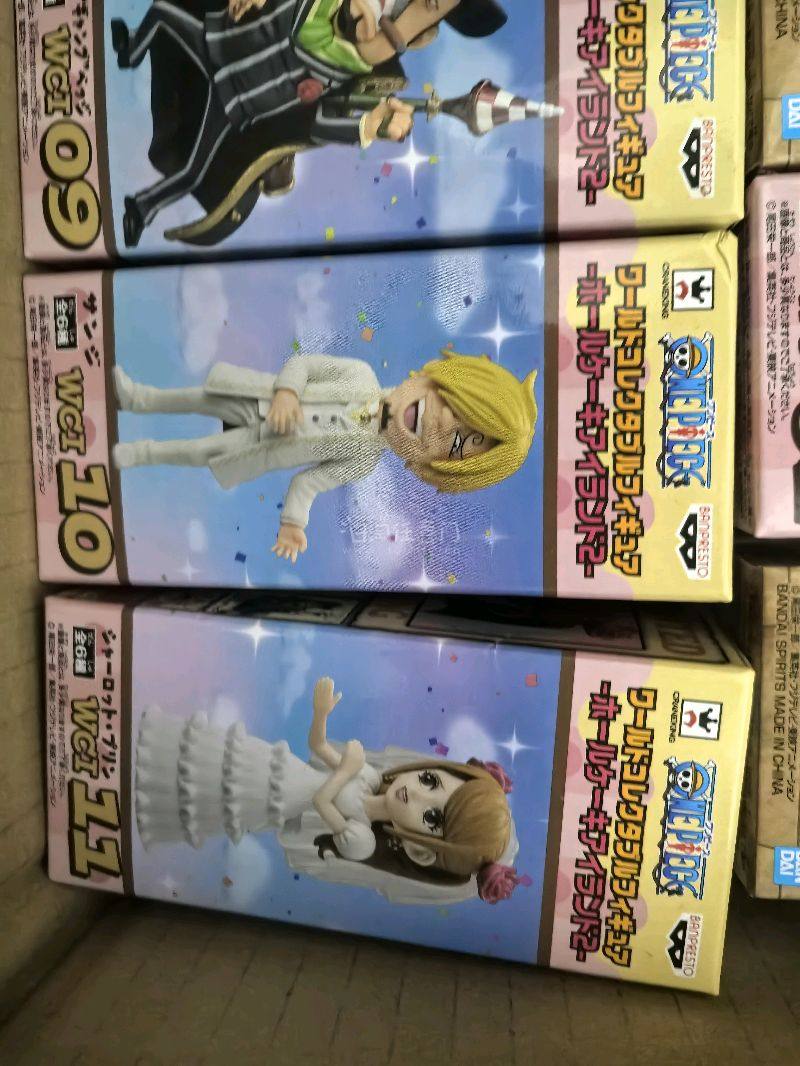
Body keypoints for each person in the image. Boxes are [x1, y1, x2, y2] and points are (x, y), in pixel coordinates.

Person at [110, 0, 509, 246]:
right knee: (163, 13)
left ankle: (141, 209)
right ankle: (131, 48)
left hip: (238, 103)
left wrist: (367, 128)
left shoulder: (362, 72)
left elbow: (315, 124)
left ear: (422, 36)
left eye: (420, 7)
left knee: (194, 169)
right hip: (222, 43)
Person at [112, 349, 538, 562]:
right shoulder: (360, 375)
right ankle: (139, 398)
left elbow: (309, 481)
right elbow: (304, 364)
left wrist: (293, 523)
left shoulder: (364, 460)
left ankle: (141, 454)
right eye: (455, 404)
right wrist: (287, 392)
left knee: (203, 451)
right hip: (257, 400)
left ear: (432, 469)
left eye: (458, 445)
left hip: (259, 448)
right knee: (197, 398)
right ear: (434, 376)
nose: (443, 422)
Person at [135, 676, 524, 905]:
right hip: (279, 768)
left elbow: (321, 802)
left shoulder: (362, 842)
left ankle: (152, 799)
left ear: (420, 851)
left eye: (432, 816)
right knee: (210, 759)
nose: (417, 794)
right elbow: (319, 747)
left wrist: (347, 769)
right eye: (430, 781)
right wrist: (321, 712)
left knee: (209, 797)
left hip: (279, 798)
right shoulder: (371, 778)